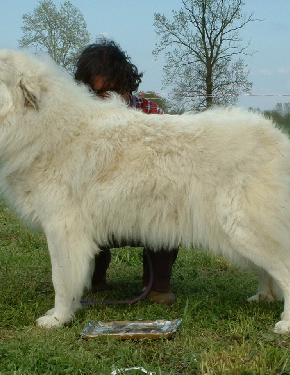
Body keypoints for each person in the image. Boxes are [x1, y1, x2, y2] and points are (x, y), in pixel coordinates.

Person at [74, 39, 179, 305]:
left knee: (169, 212)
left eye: (113, 92)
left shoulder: (152, 112)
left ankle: (157, 286)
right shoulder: (75, 122)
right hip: (98, 212)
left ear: (127, 85)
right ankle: (91, 278)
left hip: (144, 207)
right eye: (98, 94)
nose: (106, 101)